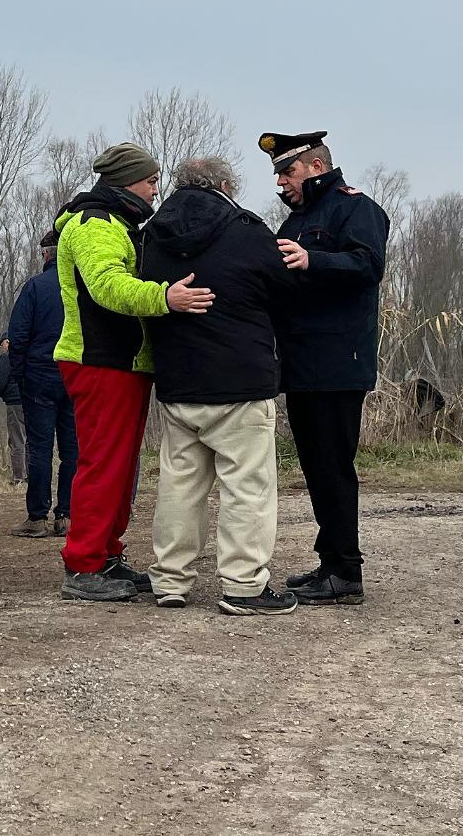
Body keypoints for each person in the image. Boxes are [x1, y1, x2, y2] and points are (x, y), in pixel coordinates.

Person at [52, 142, 215, 601]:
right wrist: (166, 298)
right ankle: (83, 566)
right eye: (150, 181)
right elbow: (107, 286)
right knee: (103, 465)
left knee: (120, 467)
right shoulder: (95, 224)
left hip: (120, 363)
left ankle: (105, 555)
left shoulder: (117, 223)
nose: (155, 190)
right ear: (126, 182)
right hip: (100, 362)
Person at [141, 157, 298, 615]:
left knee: (179, 486)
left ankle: (170, 581)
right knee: (246, 487)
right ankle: (243, 585)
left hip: (178, 382)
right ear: (226, 185)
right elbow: (285, 291)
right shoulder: (247, 230)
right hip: (240, 380)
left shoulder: (152, 235)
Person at [261, 130, 391, 606]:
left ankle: (345, 571)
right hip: (301, 363)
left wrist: (312, 259)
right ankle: (330, 562)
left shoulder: (356, 209)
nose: (280, 181)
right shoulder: (297, 219)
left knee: (333, 467)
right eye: (277, 174)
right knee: (316, 467)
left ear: (316, 166)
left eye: (287, 171)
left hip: (338, 363)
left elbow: (367, 265)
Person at [6, 232, 77, 539]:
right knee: (73, 449)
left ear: (46, 254)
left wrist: (20, 375)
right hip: (76, 376)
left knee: (39, 448)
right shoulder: (81, 287)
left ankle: (37, 517)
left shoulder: (35, 287)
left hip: (39, 376)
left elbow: (18, 336)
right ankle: (67, 516)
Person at [0, 337, 27, 486]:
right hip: (32, 401)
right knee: (30, 439)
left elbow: (1, 380)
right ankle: (32, 476)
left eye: (3, 344)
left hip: (15, 402)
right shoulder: (29, 354)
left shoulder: (7, 358)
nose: (2, 348)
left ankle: (19, 478)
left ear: (8, 342)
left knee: (17, 439)